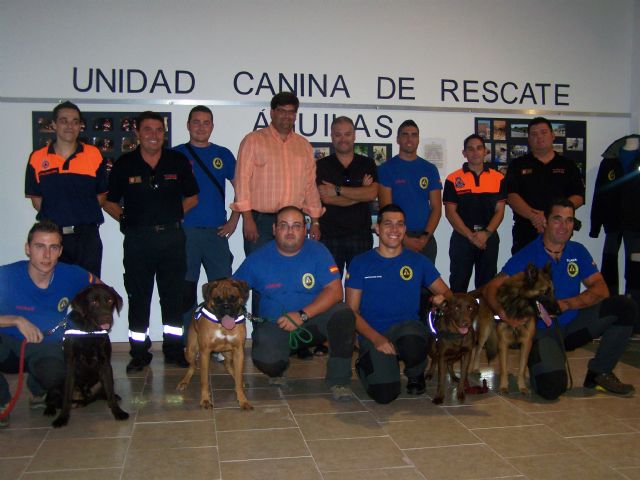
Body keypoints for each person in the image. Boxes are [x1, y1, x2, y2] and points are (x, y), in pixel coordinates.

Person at [484, 198, 638, 400]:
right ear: (545, 222)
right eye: (557, 219)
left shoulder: (578, 251)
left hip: (574, 324)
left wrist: (567, 304)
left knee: (625, 306)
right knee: (551, 389)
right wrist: (504, 315)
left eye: (569, 220)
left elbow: (601, 289)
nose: (564, 226)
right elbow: (491, 288)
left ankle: (599, 372)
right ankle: (542, 362)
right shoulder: (529, 254)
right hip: (541, 331)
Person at [103, 111, 199, 373]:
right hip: (138, 239)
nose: (154, 135)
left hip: (172, 239)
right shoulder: (125, 164)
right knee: (139, 297)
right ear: (137, 133)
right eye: (148, 129)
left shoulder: (177, 161)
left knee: (173, 298)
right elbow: (109, 202)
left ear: (164, 133)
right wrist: (126, 220)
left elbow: (192, 198)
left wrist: (173, 216)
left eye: (159, 130)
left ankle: (173, 350)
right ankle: (139, 352)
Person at [233, 206, 356, 401]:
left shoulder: (318, 251)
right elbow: (234, 289)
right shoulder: (257, 259)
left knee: (343, 313)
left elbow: (335, 292)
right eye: (284, 225)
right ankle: (278, 367)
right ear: (274, 229)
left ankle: (339, 381)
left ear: (305, 229)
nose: (290, 231)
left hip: (311, 322)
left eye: (296, 226)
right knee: (268, 362)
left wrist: (302, 314)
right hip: (275, 325)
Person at [345, 204, 452, 404]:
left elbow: (448, 294)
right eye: (388, 224)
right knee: (385, 395)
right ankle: (369, 365)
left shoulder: (418, 261)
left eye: (400, 224)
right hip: (373, 333)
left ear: (404, 229)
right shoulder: (360, 262)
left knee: (413, 341)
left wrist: (443, 300)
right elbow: (351, 311)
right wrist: (376, 339)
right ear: (377, 228)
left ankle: (415, 373)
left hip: (407, 329)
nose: (394, 229)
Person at [231, 91, 323, 313]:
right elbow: (242, 181)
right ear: (272, 113)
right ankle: (264, 332)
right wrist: (247, 219)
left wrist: (316, 221)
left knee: (294, 275)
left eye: (291, 113)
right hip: (260, 222)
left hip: (294, 224)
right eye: (281, 111)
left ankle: (294, 334)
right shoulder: (253, 140)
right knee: (262, 276)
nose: (286, 117)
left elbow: (310, 185)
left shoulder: (303, 145)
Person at [0, 220, 97, 427]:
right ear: (28, 249)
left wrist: (81, 322)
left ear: (60, 251)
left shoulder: (72, 275)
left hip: (46, 347)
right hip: (6, 345)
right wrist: (15, 320)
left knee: (59, 375)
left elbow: (102, 292)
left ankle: (39, 391)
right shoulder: (5, 276)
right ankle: (1, 401)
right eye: (39, 247)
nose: (47, 255)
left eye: (53, 248)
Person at [173, 106, 239, 341]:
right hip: (186, 232)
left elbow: (241, 188)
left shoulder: (223, 154)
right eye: (196, 122)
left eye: (206, 122)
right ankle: (188, 341)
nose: (201, 127)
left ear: (212, 126)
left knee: (223, 292)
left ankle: (221, 340)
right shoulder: (175, 154)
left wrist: (234, 220)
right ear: (188, 125)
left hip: (216, 233)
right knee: (186, 290)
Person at [25, 101, 108, 277]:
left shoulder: (93, 155)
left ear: (80, 126)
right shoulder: (37, 158)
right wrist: (59, 217)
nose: (70, 126)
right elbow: (37, 201)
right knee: (54, 289)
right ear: (54, 124)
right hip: (52, 237)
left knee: (88, 292)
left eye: (75, 121)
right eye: (64, 121)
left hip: (86, 237)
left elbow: (101, 196)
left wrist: (80, 215)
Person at [505, 117, 584, 254]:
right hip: (526, 231)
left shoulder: (568, 165)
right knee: (523, 273)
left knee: (558, 273)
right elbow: (511, 196)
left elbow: (579, 196)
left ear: (552, 135)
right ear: (529, 139)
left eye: (543, 132)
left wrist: (551, 216)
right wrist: (534, 217)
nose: (539, 137)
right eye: (534, 134)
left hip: (559, 230)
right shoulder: (517, 165)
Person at [316, 116, 378, 277]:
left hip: (361, 235)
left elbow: (371, 194)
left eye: (347, 134)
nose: (343, 139)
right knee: (330, 284)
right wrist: (360, 192)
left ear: (354, 136)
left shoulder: (367, 163)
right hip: (330, 235)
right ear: (332, 137)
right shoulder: (322, 165)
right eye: (338, 134)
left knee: (359, 284)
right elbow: (326, 199)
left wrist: (337, 189)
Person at [443, 134, 506, 292]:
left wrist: (486, 233)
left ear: (485, 151)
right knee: (458, 286)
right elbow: (450, 213)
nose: (475, 152)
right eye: (470, 149)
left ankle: (484, 318)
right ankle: (457, 318)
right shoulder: (453, 179)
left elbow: (500, 211)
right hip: (462, 239)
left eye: (479, 148)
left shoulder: (498, 178)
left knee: (487, 288)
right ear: (464, 153)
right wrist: (471, 236)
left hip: (489, 238)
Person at [377, 120, 442, 263]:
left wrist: (425, 236)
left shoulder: (430, 169)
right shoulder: (386, 169)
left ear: (418, 139)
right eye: (405, 134)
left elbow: (437, 208)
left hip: (425, 239)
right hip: (396, 237)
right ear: (398, 139)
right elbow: (385, 209)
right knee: (398, 284)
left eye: (414, 135)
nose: (409, 138)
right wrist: (404, 239)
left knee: (426, 284)